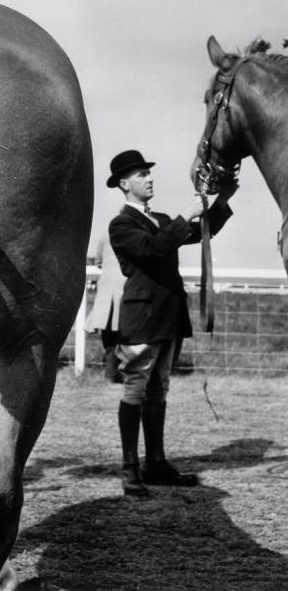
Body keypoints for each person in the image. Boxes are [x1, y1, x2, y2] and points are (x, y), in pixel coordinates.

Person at [107, 149, 236, 497]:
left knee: (158, 387)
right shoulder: (121, 224)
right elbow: (153, 249)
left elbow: (198, 232)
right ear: (124, 184)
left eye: (149, 173)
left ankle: (156, 463)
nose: (149, 178)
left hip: (166, 316)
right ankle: (130, 469)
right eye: (141, 174)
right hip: (143, 316)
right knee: (136, 387)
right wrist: (187, 214)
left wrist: (221, 200)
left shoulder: (161, 218)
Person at [85, 232, 125, 381]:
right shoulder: (137, 232)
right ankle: (118, 371)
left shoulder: (105, 235)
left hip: (108, 286)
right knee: (123, 331)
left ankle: (111, 371)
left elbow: (98, 262)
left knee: (108, 332)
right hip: (126, 287)